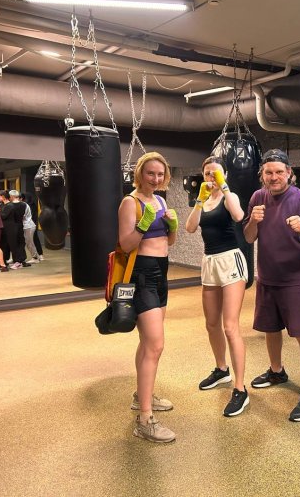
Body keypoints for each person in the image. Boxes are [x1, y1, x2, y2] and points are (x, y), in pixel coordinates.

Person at [243, 149, 300, 422]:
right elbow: (249, 238)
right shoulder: (258, 197)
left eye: (279, 172)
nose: (274, 177)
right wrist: (253, 221)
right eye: (269, 172)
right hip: (267, 277)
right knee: (271, 328)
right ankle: (277, 371)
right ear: (262, 175)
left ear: (289, 173)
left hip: (294, 280)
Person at [119, 151, 179, 443]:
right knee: (156, 344)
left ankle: (141, 395)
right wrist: (144, 223)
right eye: (150, 173)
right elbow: (126, 244)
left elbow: (169, 242)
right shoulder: (130, 202)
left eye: (160, 174)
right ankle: (145, 420)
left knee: (147, 343)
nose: (155, 179)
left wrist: (173, 226)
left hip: (161, 271)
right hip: (141, 273)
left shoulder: (161, 201)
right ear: (140, 174)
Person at [185, 155, 249, 417]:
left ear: (224, 175)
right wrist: (199, 199)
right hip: (210, 262)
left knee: (230, 326)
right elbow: (190, 227)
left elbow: (239, 215)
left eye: (216, 173)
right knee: (211, 323)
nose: (211, 176)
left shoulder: (228, 196)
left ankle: (240, 388)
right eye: (208, 173)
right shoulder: (203, 199)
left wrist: (224, 186)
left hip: (230, 260)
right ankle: (222, 369)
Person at [0, 190, 29, 269]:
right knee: (20, 243)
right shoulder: (24, 204)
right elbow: (26, 215)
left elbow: (5, 216)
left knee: (13, 244)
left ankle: (17, 261)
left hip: (12, 226)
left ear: (11, 197)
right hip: (20, 225)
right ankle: (21, 260)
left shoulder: (10, 205)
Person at [19, 192, 40, 263]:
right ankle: (36, 256)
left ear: (21, 198)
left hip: (29, 226)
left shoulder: (24, 205)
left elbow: (21, 215)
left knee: (29, 243)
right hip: (26, 226)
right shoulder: (22, 205)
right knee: (28, 242)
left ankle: (35, 258)